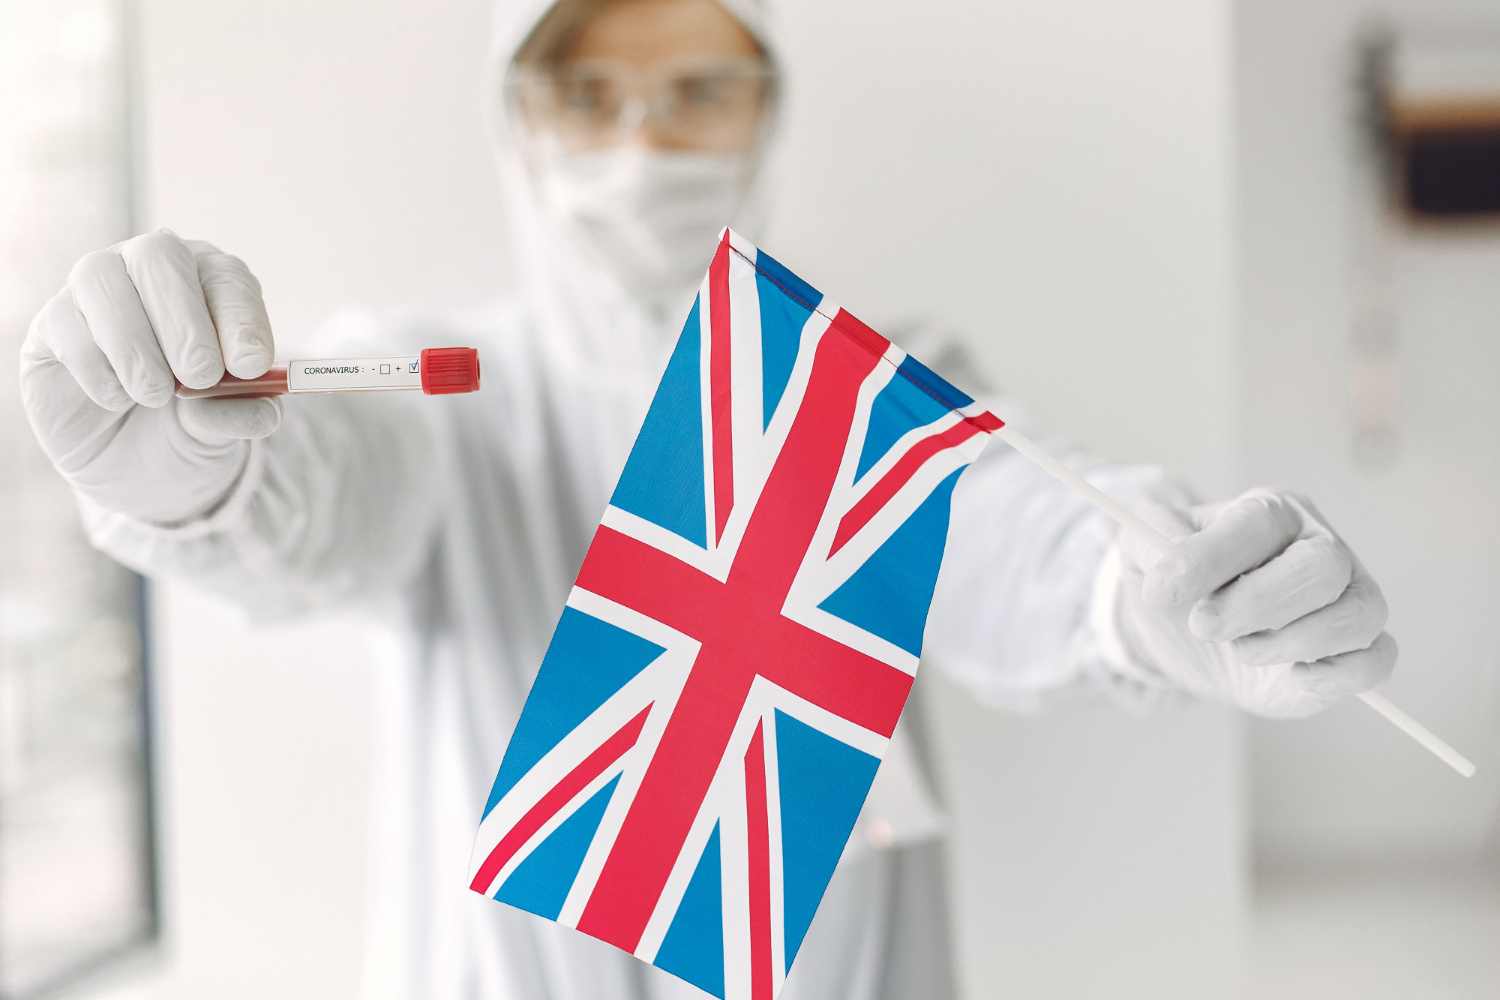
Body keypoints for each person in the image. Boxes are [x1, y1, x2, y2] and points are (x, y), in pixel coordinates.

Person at [18, 0, 1397, 996]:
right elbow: (328, 501)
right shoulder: (443, 381)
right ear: (513, 114)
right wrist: (200, 483)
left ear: (767, 111)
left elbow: (999, 528)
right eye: (586, 90)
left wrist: (1150, 596)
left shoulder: (860, 390)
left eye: (699, 89)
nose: (642, 138)